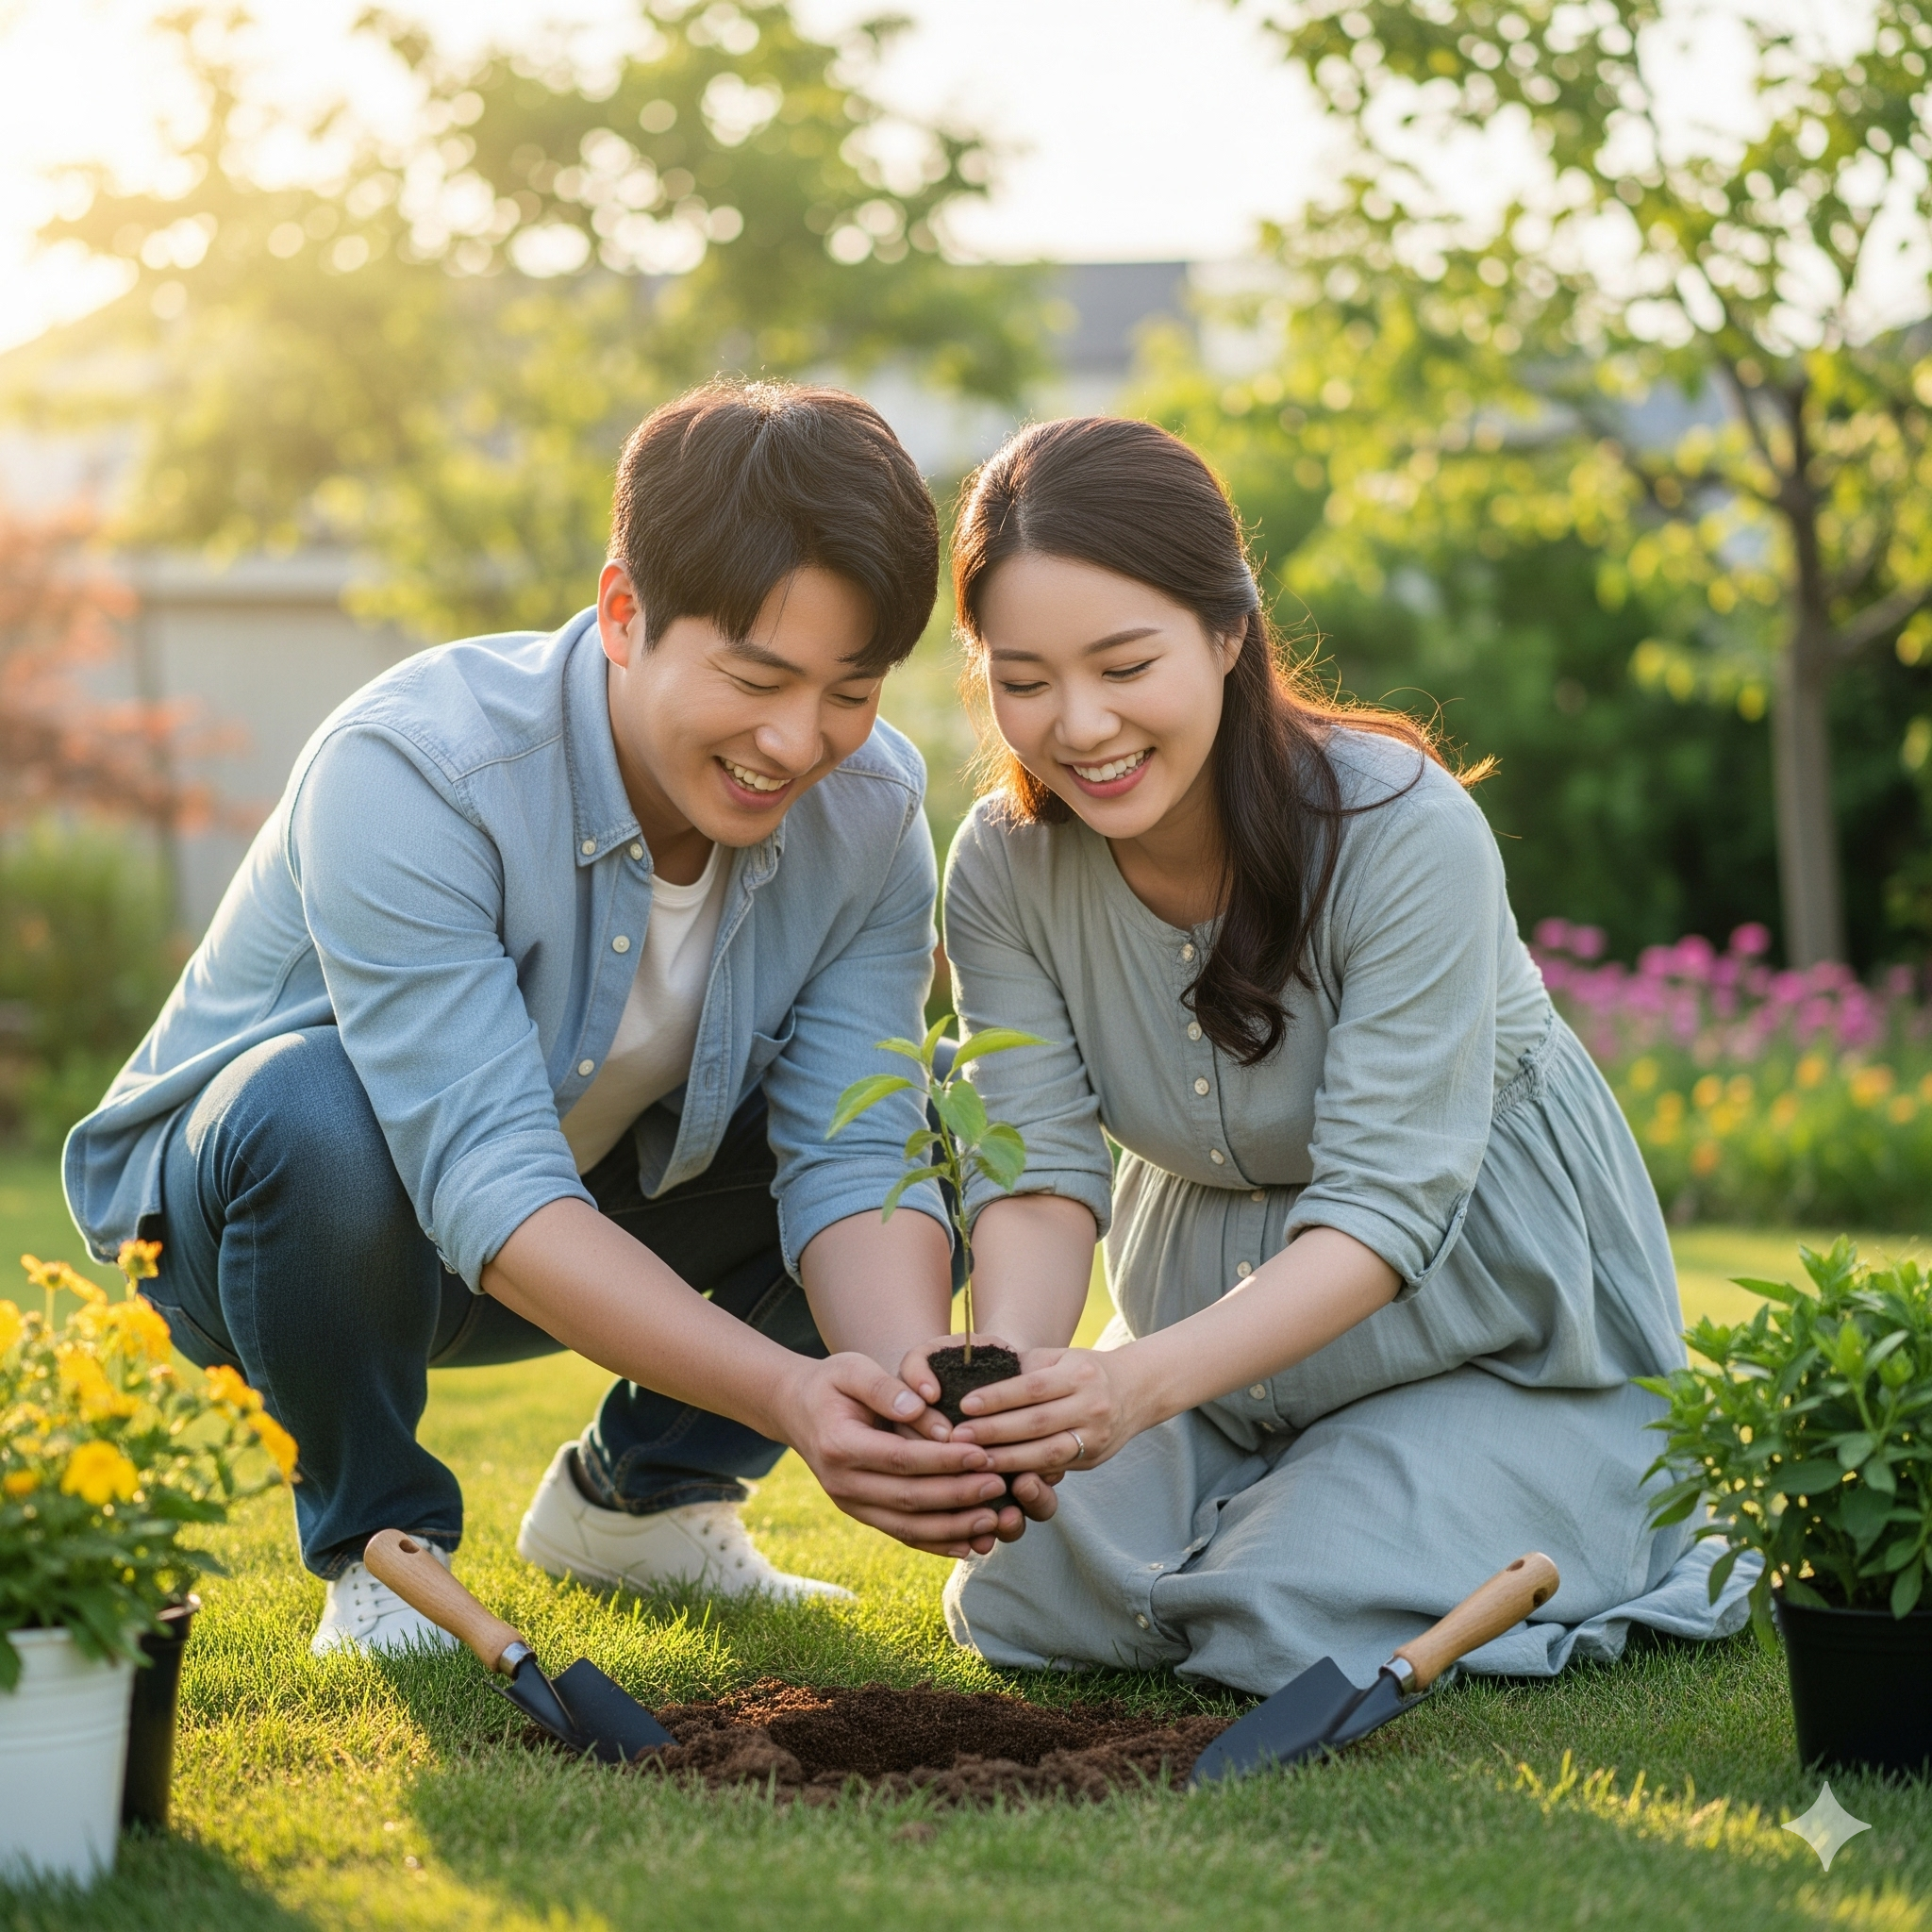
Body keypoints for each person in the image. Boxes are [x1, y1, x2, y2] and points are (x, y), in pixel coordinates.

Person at [65, 381, 1035, 1657]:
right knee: (314, 1107)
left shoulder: (870, 810)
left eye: (850, 691)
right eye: (757, 678)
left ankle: (639, 1503)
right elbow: (484, 1172)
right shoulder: (417, 767)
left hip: (593, 1207)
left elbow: (856, 1150)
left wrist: (909, 1416)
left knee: (938, 1129)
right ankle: (383, 1548)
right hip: (279, 1239)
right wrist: (790, 1394)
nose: (799, 742)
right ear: (625, 613)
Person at [909, 415, 1753, 1695]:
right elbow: (1037, 1168)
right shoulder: (1002, 865)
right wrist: (1019, 1399)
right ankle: (1284, 1498)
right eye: (1024, 681)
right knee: (1024, 1592)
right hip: (1208, 1359)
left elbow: (1383, 1207)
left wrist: (1134, 1389)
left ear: (1228, 631)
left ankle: (1502, 1495)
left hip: (1489, 1343)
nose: (1080, 725)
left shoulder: (1403, 830)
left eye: (1125, 665)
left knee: (1285, 1612)